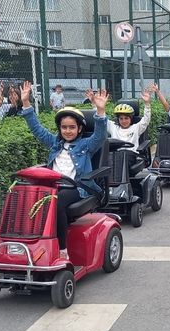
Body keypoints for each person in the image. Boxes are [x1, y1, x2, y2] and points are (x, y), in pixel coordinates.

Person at [20, 81, 109, 255]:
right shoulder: (54, 142)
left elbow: (100, 136)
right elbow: (37, 129)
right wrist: (25, 102)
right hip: (53, 186)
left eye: (72, 127)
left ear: (80, 129)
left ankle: (61, 249)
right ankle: (28, 244)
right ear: (59, 129)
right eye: (64, 127)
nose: (68, 131)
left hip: (77, 188)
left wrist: (100, 111)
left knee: (56, 201)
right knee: (22, 194)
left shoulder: (86, 145)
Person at [101, 84, 152, 164]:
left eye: (126, 118)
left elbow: (146, 119)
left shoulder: (136, 127)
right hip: (115, 155)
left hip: (131, 156)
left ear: (131, 119)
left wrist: (147, 104)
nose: (124, 121)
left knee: (122, 160)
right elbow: (101, 119)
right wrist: (99, 106)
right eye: (121, 118)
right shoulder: (113, 127)